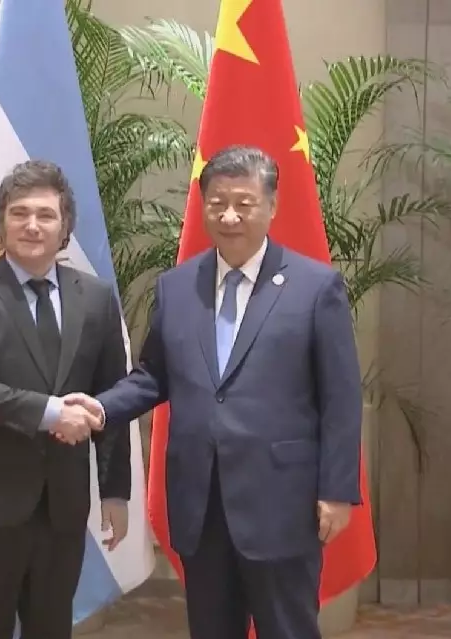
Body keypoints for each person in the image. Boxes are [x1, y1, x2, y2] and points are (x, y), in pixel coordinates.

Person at [66, 145, 363, 639]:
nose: (229, 216)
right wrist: (100, 407)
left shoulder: (316, 288)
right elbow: (153, 375)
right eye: (217, 203)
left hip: (281, 502)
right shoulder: (177, 287)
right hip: (199, 502)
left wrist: (336, 490)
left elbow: (341, 397)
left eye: (244, 204)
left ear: (272, 206)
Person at [0, 159, 131, 639]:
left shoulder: (96, 298)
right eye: (19, 213)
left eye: (45, 215)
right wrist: (52, 413)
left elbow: (112, 398)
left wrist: (115, 490)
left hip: (60, 510)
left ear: (65, 228)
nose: (32, 225)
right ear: (1, 222)